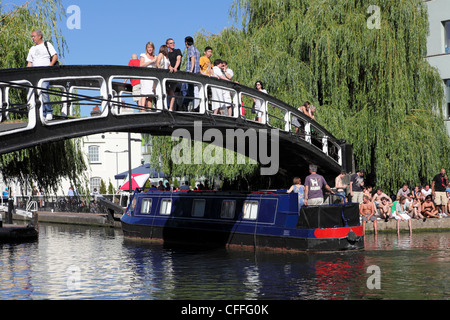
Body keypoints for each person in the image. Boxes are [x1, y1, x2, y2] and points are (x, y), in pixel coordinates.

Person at [27, 30, 58, 121]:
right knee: (36, 93)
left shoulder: (47, 45)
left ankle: (48, 112)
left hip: (45, 73)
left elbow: (55, 56)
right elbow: (30, 62)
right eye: (32, 36)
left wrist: (49, 67)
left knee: (43, 90)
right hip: (35, 74)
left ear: (39, 36)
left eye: (34, 36)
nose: (33, 38)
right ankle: (40, 113)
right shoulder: (32, 49)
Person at [183, 36, 200, 111]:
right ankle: (194, 107)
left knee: (189, 90)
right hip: (197, 73)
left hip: (192, 73)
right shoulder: (196, 49)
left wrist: (191, 70)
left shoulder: (190, 49)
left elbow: (192, 58)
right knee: (193, 91)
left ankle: (187, 107)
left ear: (186, 43)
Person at [140, 42, 157, 110]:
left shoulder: (155, 56)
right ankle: (142, 109)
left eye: (151, 47)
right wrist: (151, 61)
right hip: (145, 77)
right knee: (144, 94)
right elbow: (141, 65)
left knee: (150, 95)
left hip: (152, 78)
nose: (150, 49)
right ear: (146, 48)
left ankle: (149, 110)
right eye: (148, 47)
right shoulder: (143, 55)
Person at [166, 38, 182, 111]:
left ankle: (171, 108)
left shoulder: (177, 51)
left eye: (173, 42)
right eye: (171, 43)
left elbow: (178, 59)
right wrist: (170, 67)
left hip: (175, 74)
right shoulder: (167, 54)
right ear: (167, 45)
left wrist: (175, 67)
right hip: (168, 74)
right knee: (167, 91)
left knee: (172, 90)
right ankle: (167, 106)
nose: (173, 44)